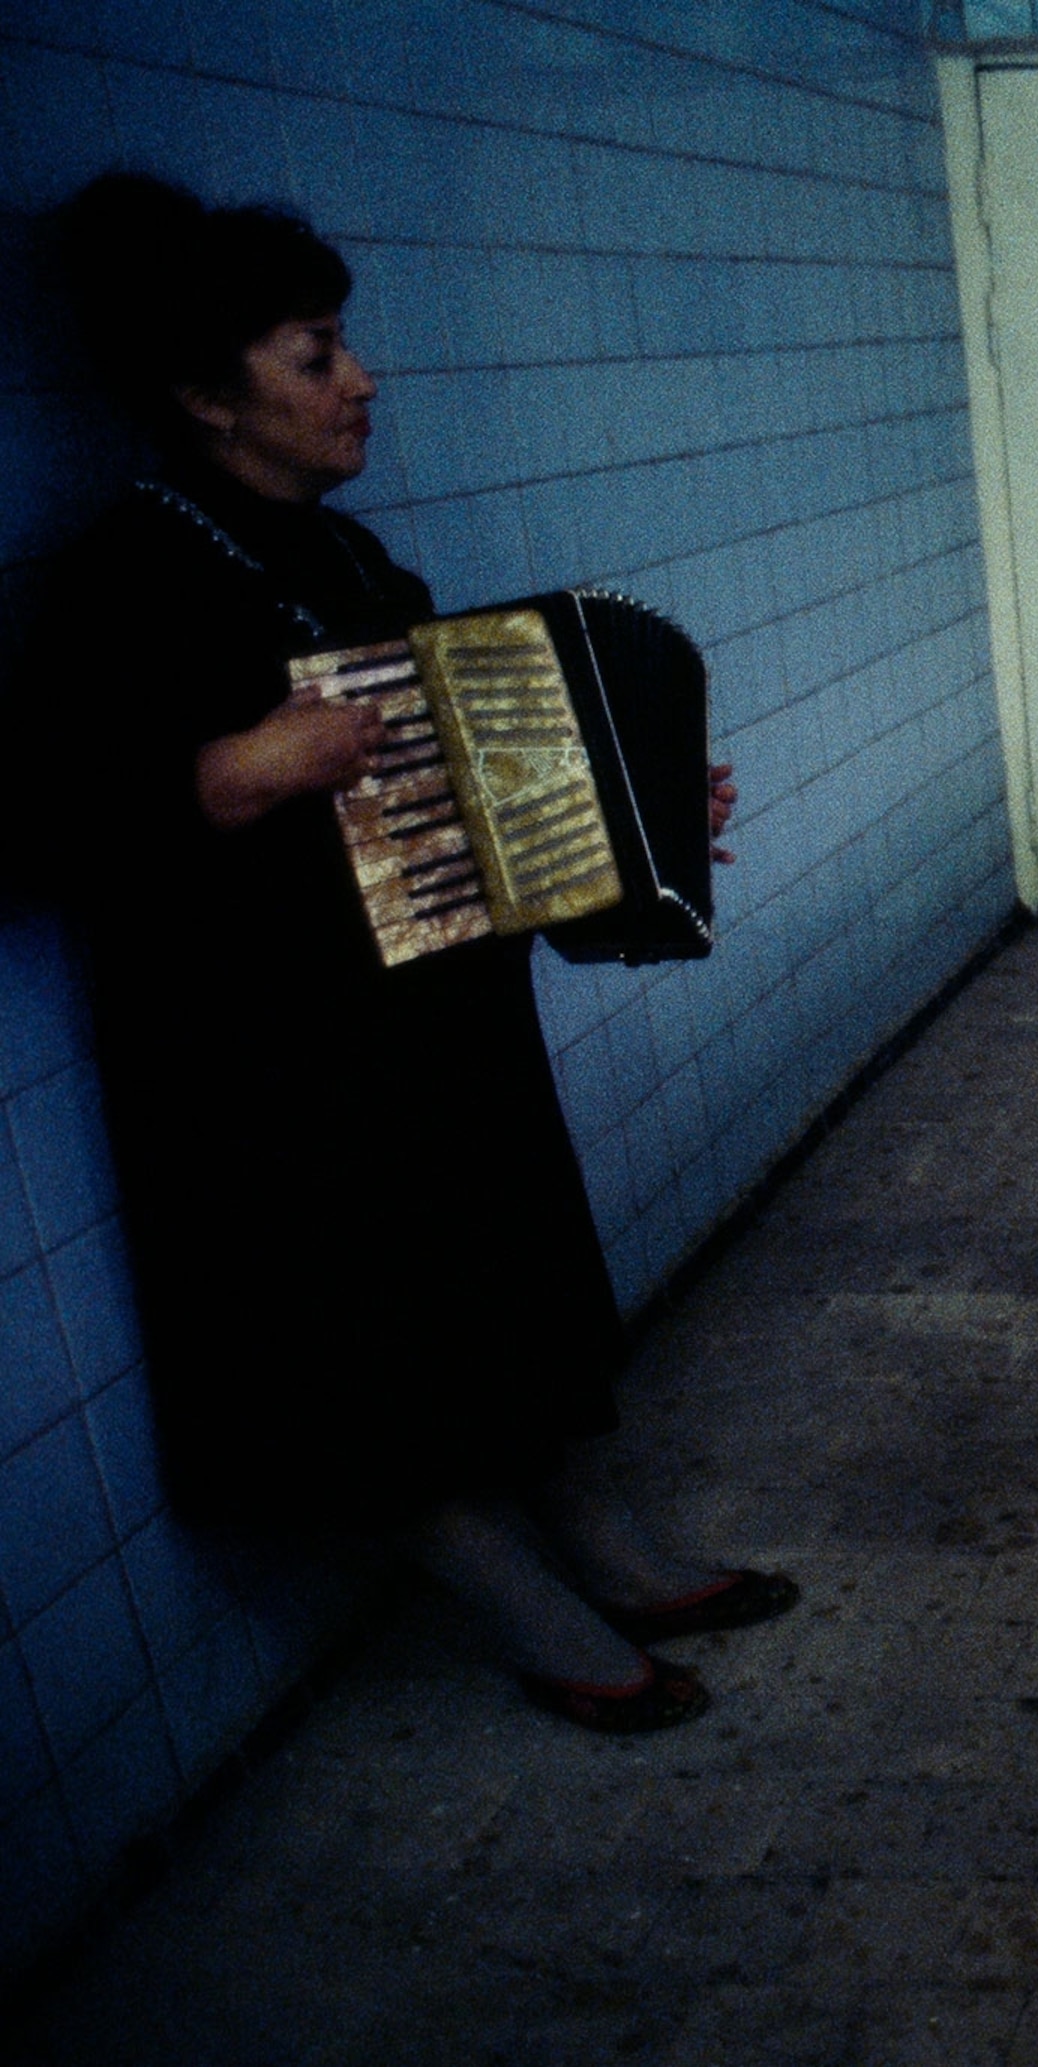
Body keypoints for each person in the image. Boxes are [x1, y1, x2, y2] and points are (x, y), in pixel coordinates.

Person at [19, 173, 788, 1733]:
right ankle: (539, 1616)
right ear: (200, 394)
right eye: (314, 355)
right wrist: (237, 767)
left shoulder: (357, 567)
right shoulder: (120, 579)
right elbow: (41, 826)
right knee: (368, 1359)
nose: (360, 379)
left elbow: (482, 804)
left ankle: (613, 1556)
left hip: (435, 1013)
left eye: (342, 346)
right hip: (267, 1056)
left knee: (509, 1290)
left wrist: (634, 824)